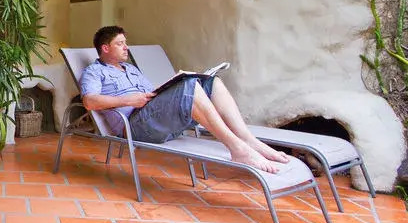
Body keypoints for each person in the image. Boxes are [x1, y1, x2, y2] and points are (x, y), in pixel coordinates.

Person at [79, 26, 288, 173]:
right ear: (105, 48)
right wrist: (128, 100)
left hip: (154, 116)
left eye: (126, 43)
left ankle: (248, 140)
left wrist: (165, 90)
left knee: (212, 83)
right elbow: (89, 101)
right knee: (190, 87)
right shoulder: (94, 72)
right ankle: (237, 149)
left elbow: (150, 93)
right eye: (120, 44)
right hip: (136, 126)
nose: (126, 47)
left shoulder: (131, 69)